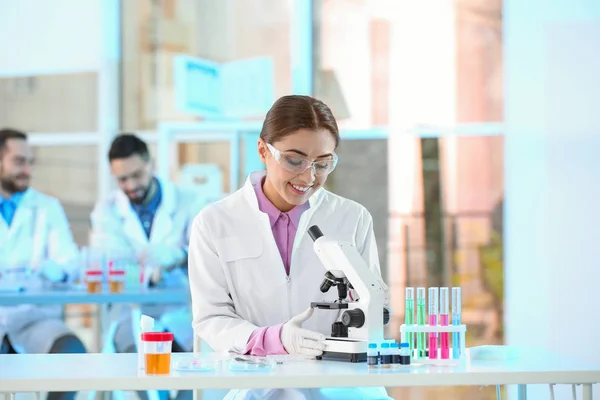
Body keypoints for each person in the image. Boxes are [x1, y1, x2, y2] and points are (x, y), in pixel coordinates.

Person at [188, 95, 392, 400]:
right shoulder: (216, 221)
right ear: (263, 151)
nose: (308, 177)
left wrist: (369, 318)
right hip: (257, 382)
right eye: (294, 160)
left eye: (322, 164)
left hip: (339, 385)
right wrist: (275, 338)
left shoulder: (352, 218)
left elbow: (375, 299)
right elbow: (211, 317)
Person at [90, 133, 205, 400]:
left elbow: (207, 253)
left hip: (180, 307)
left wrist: (178, 255)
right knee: (137, 367)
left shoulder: (189, 201)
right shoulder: (106, 210)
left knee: (195, 368)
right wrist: (142, 268)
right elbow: (107, 257)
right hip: (130, 311)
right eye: (122, 179)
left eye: (137, 175)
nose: (131, 185)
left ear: (150, 164)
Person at [0, 128, 86, 400]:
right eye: (18, 161)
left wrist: (57, 269)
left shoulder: (47, 207)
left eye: (29, 161)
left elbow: (70, 261)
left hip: (34, 317)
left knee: (72, 353)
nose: (27, 169)